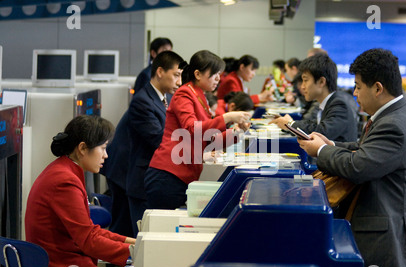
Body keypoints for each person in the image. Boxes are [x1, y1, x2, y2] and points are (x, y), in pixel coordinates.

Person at [298, 48, 406, 267]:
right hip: (384, 241)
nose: (355, 94)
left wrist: (322, 150)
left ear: (378, 88)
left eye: (359, 87)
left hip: (386, 248)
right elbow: (365, 149)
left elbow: (359, 166)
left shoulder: (394, 124)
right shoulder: (395, 114)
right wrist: (333, 145)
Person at [25, 115, 136, 267]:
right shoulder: (65, 181)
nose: (106, 155)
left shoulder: (64, 170)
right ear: (83, 148)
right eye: (103, 148)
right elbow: (89, 241)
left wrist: (132, 242)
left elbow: (89, 231)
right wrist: (136, 254)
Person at [144, 50, 251, 210]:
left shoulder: (200, 97)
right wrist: (227, 117)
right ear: (198, 74)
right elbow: (192, 129)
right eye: (214, 74)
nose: (218, 79)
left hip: (181, 175)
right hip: (167, 174)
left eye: (219, 74)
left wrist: (237, 133)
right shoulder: (184, 94)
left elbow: (209, 141)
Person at [126, 51, 185, 236]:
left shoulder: (162, 98)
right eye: (176, 75)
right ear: (160, 71)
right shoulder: (143, 102)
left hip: (154, 179)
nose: (179, 82)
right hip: (143, 182)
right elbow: (159, 141)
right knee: (144, 238)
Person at [269, 53, 358, 142]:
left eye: (306, 80)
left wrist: (290, 124)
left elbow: (322, 132)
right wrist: (289, 125)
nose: (303, 87)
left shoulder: (339, 104)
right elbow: (312, 124)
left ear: (321, 82)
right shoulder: (329, 102)